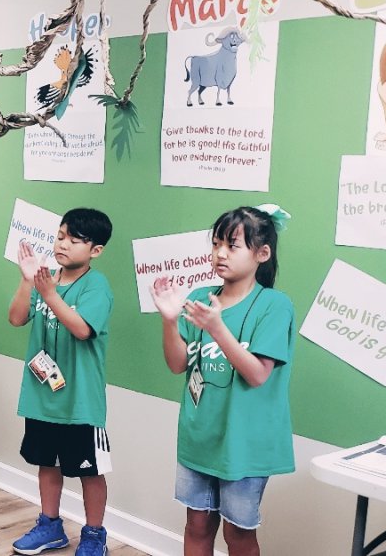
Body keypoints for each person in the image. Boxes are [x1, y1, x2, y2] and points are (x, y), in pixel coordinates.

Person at [150, 206, 294, 556]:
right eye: (216, 244)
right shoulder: (200, 297)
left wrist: (217, 328)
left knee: (238, 534)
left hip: (244, 445)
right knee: (196, 526)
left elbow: (257, 374)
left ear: (262, 253)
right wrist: (169, 320)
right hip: (199, 438)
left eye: (232, 245)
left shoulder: (274, 305)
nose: (220, 254)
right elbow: (177, 364)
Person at [7, 208, 114, 556]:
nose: (63, 244)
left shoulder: (96, 286)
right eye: (60, 236)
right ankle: (50, 526)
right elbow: (16, 318)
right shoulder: (44, 279)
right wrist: (27, 281)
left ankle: (94, 535)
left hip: (80, 403)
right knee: (47, 464)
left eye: (75, 240)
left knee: (89, 472)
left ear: (95, 250)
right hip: (42, 397)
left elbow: (82, 329)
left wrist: (49, 294)